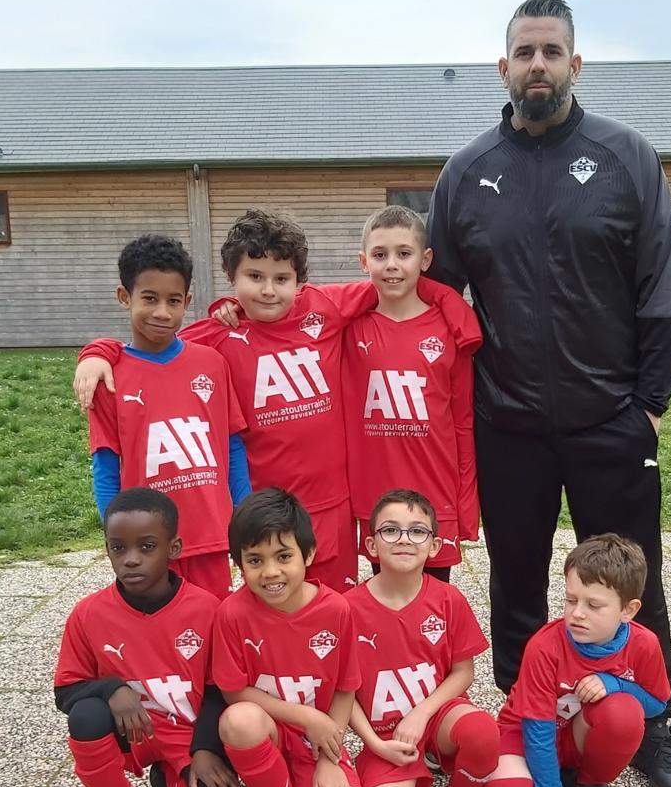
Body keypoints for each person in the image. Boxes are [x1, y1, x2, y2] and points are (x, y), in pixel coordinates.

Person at [426, 0, 671, 787]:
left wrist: (649, 402)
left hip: (610, 417)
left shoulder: (624, 158)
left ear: (575, 65)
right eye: (524, 52)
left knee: (626, 579)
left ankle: (648, 721)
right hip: (507, 423)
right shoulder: (467, 172)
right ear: (502, 67)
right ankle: (525, 717)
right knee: (516, 576)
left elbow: (659, 282)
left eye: (551, 52)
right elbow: (431, 298)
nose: (536, 65)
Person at [75, 211, 471, 593]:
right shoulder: (219, 336)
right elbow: (152, 347)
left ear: (299, 281)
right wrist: (98, 351)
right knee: (274, 612)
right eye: (254, 277)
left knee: (333, 612)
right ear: (231, 279)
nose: (268, 289)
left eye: (281, 278)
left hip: (331, 503)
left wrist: (459, 314)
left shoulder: (325, 306)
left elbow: (395, 279)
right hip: (267, 505)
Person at [54, 487, 242, 787]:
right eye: (118, 548)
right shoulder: (88, 614)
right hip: (130, 734)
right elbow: (66, 691)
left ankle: (167, 780)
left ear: (174, 548)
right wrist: (111, 689)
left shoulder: (206, 608)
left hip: (184, 735)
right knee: (86, 716)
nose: (131, 559)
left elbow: (218, 689)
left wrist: (206, 749)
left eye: (147, 546)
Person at [211, 487, 371, 787]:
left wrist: (328, 760)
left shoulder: (336, 609)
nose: (270, 572)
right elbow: (233, 691)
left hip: (317, 743)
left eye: (284, 556)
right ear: (239, 564)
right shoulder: (231, 614)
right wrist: (304, 716)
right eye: (255, 560)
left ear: (309, 555)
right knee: (239, 720)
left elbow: (346, 688)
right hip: (269, 735)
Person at [85, 233, 249, 599]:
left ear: (187, 302)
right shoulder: (108, 378)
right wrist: (118, 536)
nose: (162, 312)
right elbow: (105, 465)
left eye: (173, 301)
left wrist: (245, 513)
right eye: (149, 298)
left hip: (210, 534)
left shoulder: (212, 363)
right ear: (124, 297)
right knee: (159, 637)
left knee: (213, 629)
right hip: (149, 543)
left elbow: (232, 445)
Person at [483, 534, 671, 787]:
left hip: (577, 736)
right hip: (525, 733)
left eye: (593, 605)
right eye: (571, 600)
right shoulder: (545, 646)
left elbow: (655, 704)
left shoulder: (644, 643)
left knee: (624, 712)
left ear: (629, 609)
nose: (577, 613)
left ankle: (590, 783)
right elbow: (538, 733)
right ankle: (551, 782)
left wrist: (615, 684)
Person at [346, 489, 502, 787]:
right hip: (386, 736)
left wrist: (421, 714)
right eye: (391, 530)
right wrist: (373, 744)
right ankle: (391, 772)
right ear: (370, 544)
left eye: (417, 531)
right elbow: (342, 693)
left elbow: (463, 672)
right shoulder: (346, 610)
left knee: (481, 731)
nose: (404, 539)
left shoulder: (448, 599)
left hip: (438, 717)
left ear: (434, 546)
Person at [342, 206, 481, 581]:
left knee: (432, 604)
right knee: (383, 603)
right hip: (376, 498)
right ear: (363, 261)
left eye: (404, 253)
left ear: (425, 259)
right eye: (379, 254)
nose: (391, 265)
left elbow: (462, 423)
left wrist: (465, 507)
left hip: (434, 495)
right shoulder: (347, 329)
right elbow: (291, 308)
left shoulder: (450, 329)